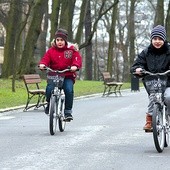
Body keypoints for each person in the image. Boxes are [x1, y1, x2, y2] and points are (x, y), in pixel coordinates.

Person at [130, 25, 170, 131]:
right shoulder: (146, 52)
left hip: (167, 82)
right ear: (151, 39)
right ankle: (150, 121)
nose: (157, 41)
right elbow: (136, 65)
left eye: (160, 39)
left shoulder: (169, 50)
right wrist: (138, 69)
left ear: (164, 39)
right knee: (154, 98)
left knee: (168, 97)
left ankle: (169, 115)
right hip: (152, 83)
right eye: (155, 39)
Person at [39, 28, 82, 121]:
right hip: (54, 75)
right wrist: (43, 65)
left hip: (67, 75)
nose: (60, 42)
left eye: (62, 40)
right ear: (55, 40)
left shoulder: (71, 50)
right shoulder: (51, 51)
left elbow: (77, 59)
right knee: (49, 89)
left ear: (65, 40)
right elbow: (45, 59)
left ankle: (67, 112)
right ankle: (49, 104)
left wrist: (75, 66)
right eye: (58, 40)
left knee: (68, 89)